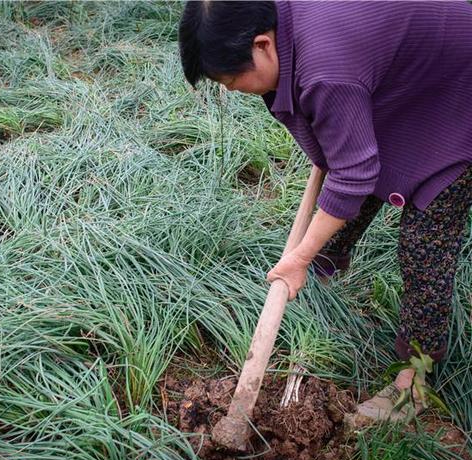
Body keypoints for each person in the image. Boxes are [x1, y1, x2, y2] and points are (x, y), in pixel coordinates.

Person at [178, 0, 472, 422]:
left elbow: (354, 172)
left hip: (459, 91)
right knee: (353, 160)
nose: (230, 89)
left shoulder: (326, 69)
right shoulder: (289, 28)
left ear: (262, 44)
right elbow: (347, 155)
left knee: (426, 242)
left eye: (230, 77)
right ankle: (322, 270)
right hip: (419, 68)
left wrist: (296, 257)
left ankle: (415, 380)